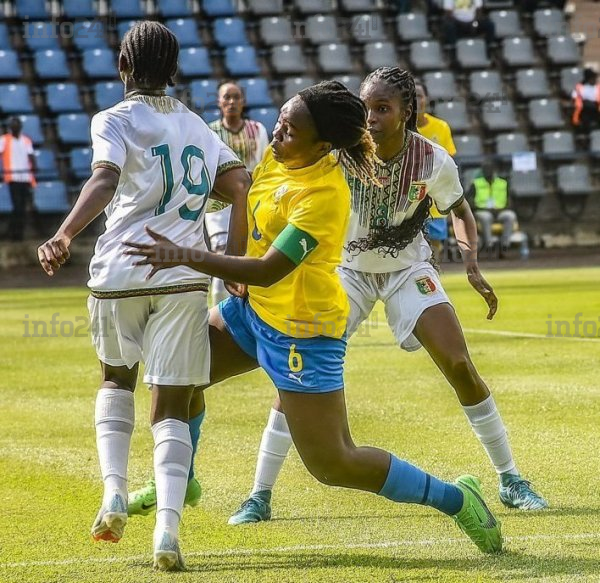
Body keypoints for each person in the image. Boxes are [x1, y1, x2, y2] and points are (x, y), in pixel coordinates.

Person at [125, 80, 504, 556]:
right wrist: (233, 253)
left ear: (323, 145)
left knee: (333, 464)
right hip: (252, 312)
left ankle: (456, 499)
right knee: (179, 375)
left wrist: (183, 254)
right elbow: (247, 195)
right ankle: (182, 478)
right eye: (280, 122)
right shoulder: (279, 155)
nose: (277, 133)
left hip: (301, 333)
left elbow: (269, 270)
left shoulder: (324, 194)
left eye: (289, 130)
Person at [222, 67, 547, 527]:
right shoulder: (337, 152)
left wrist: (471, 263)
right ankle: (259, 494)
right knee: (299, 375)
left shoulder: (432, 160)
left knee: (458, 363)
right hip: (346, 271)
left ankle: (511, 479)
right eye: (366, 107)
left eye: (382, 108)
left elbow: (459, 209)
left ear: (406, 112)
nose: (371, 117)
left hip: (407, 268)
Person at [36, 21, 249, 571]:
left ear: (123, 66)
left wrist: (64, 234)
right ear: (174, 70)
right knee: (172, 404)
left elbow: (105, 178)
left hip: (121, 271)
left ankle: (113, 493)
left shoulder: (113, 119)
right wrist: (234, 263)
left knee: (116, 380)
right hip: (183, 276)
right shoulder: (197, 124)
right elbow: (239, 185)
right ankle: (167, 532)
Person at [205, 79, 269, 305]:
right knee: (223, 252)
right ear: (219, 102)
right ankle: (219, 307)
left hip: (251, 201)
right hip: (220, 206)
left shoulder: (257, 130)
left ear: (243, 101)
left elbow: (263, 166)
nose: (231, 102)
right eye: (227, 97)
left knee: (250, 252)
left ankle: (246, 306)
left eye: (236, 97)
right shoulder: (209, 132)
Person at [414, 79, 456, 260]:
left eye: (419, 96)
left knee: (435, 247)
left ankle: (434, 274)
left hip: (435, 198)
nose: (416, 100)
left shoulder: (441, 127)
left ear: (427, 99)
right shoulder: (399, 128)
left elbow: (449, 163)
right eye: (412, 97)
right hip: (411, 198)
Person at [0, 117, 36, 241]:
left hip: (25, 177)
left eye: (17, 124)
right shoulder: (4, 140)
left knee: (22, 206)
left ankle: (18, 233)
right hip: (12, 177)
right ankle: (15, 233)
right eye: (13, 125)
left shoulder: (26, 140)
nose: (15, 127)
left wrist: (34, 168)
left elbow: (31, 155)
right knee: (17, 206)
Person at [469, 161, 516, 254]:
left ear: (494, 171)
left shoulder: (503, 183)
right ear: (482, 171)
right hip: (482, 210)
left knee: (510, 216)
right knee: (486, 217)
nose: (488, 171)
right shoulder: (476, 183)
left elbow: (510, 201)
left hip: (500, 211)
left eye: (490, 169)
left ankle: (505, 245)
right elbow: (470, 201)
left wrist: (503, 208)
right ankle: (489, 244)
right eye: (486, 169)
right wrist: (480, 208)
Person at [571, 68, 600, 133]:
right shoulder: (580, 87)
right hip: (585, 110)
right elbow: (574, 97)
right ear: (588, 79)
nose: (595, 79)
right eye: (593, 78)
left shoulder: (598, 87)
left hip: (597, 109)